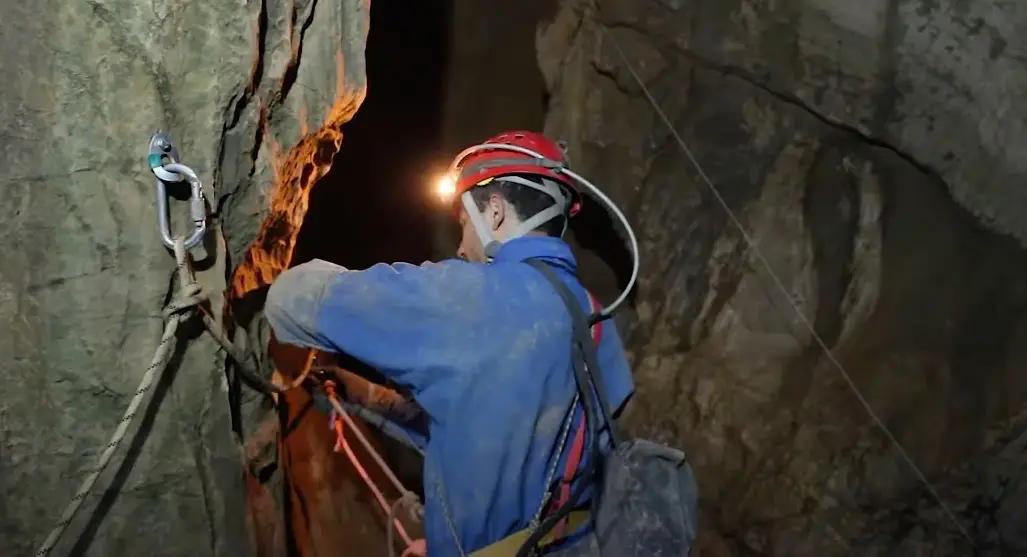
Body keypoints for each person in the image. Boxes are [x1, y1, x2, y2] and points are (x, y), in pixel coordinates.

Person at [265, 131, 635, 556]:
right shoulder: (595, 320)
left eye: (464, 222)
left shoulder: (473, 298)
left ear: (494, 212)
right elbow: (500, 443)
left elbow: (290, 300)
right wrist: (371, 399)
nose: (461, 248)